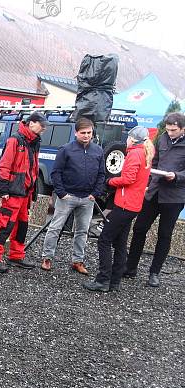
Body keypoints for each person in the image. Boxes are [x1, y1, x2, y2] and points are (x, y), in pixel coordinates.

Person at [84, 127, 154, 292]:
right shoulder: (146, 153)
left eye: (129, 137)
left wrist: (110, 182)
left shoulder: (135, 154)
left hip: (125, 204)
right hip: (134, 204)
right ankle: (114, 281)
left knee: (104, 240)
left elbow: (128, 179)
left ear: (133, 139)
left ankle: (103, 280)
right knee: (121, 243)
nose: (127, 140)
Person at [124, 112, 185, 287]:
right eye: (168, 129)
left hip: (174, 197)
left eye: (174, 130)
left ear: (183, 129)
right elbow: (155, 160)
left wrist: (177, 176)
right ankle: (130, 267)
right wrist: (149, 180)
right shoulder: (162, 138)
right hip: (154, 191)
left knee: (164, 234)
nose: (170, 133)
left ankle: (154, 273)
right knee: (139, 228)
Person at [40, 117, 105, 274]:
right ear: (76, 133)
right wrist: (61, 193)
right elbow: (56, 172)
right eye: (83, 132)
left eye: (89, 132)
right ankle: (47, 258)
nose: (86, 135)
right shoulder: (66, 149)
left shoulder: (98, 151)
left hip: (87, 198)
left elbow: (102, 174)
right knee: (55, 227)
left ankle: (78, 261)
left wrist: (95, 193)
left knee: (82, 231)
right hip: (67, 197)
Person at [0, 111, 46, 273]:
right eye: (42, 125)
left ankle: (16, 255)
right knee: (4, 225)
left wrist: (33, 191)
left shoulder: (34, 142)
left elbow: (34, 168)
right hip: (13, 192)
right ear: (32, 123)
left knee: (22, 226)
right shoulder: (15, 140)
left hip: (24, 192)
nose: (44, 129)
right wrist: (3, 189)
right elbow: (4, 166)